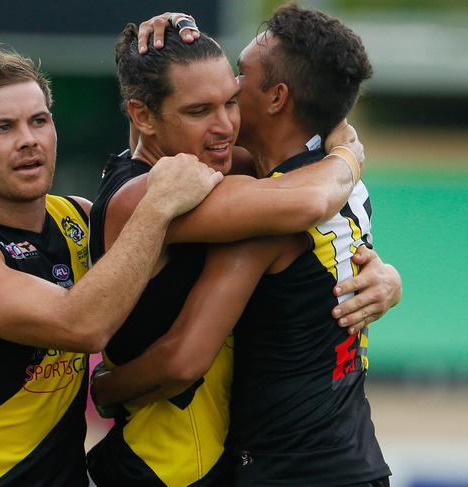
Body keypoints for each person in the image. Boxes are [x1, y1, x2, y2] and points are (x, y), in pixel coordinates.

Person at [86, 16, 399, 487]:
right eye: (198, 109)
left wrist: (103, 389)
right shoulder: (320, 188)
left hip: (281, 469)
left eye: (234, 92)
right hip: (311, 460)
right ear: (142, 115)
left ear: (276, 97)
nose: (223, 119)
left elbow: (183, 361)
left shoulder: (270, 206)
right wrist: (347, 155)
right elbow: (311, 199)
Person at [0, 47, 225, 487]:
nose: (28, 139)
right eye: (2, 128)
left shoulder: (77, 218)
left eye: (39, 120)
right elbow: (82, 326)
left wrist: (349, 260)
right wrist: (158, 205)